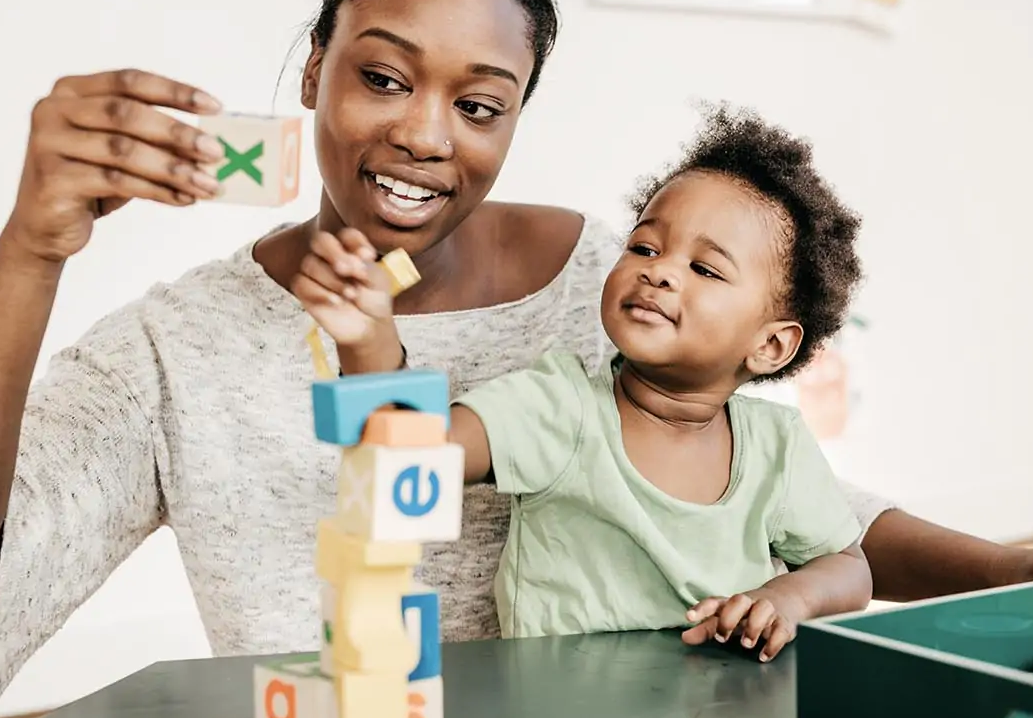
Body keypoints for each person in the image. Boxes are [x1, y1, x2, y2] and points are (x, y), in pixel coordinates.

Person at [0, 0, 1033, 705]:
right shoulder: (182, 344)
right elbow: (400, 463)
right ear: (314, 62)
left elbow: (796, 501)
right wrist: (34, 241)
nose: (427, 133)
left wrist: (1021, 568)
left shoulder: (608, 294)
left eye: (481, 99)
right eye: (382, 74)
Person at [303, 104, 873, 661]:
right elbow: (413, 450)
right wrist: (367, 336)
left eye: (705, 269)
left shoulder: (778, 445)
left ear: (770, 345)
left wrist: (785, 598)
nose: (660, 269)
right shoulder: (559, 406)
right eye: (644, 247)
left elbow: (850, 568)